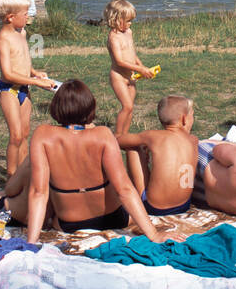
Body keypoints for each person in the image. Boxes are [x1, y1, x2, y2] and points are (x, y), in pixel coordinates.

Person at [25, 79, 172, 242]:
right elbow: (124, 189)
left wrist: (31, 242)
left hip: (69, 223)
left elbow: (38, 192)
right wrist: (153, 234)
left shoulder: (43, 135)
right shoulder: (102, 135)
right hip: (112, 218)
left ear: (56, 106)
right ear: (90, 106)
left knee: (44, 188)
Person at [0, 0, 57, 176]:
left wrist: (35, 73)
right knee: (15, 135)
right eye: (24, 14)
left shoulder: (21, 32)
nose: (28, 16)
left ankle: (22, 172)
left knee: (25, 133)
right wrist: (36, 83)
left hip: (24, 88)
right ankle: (12, 177)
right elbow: (7, 74)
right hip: (9, 91)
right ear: (11, 17)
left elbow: (23, 59)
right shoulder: (3, 40)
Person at [117, 95, 198, 217]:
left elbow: (119, 141)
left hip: (154, 208)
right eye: (192, 116)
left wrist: (143, 145)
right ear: (184, 119)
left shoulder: (153, 136)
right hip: (184, 205)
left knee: (133, 146)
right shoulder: (193, 140)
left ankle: (138, 197)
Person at [104, 0, 155, 137]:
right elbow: (119, 61)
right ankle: (117, 136)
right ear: (116, 19)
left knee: (130, 108)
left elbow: (132, 53)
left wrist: (141, 66)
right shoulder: (113, 38)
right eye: (127, 21)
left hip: (130, 76)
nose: (130, 23)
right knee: (127, 107)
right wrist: (140, 69)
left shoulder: (129, 32)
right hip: (119, 77)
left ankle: (124, 135)